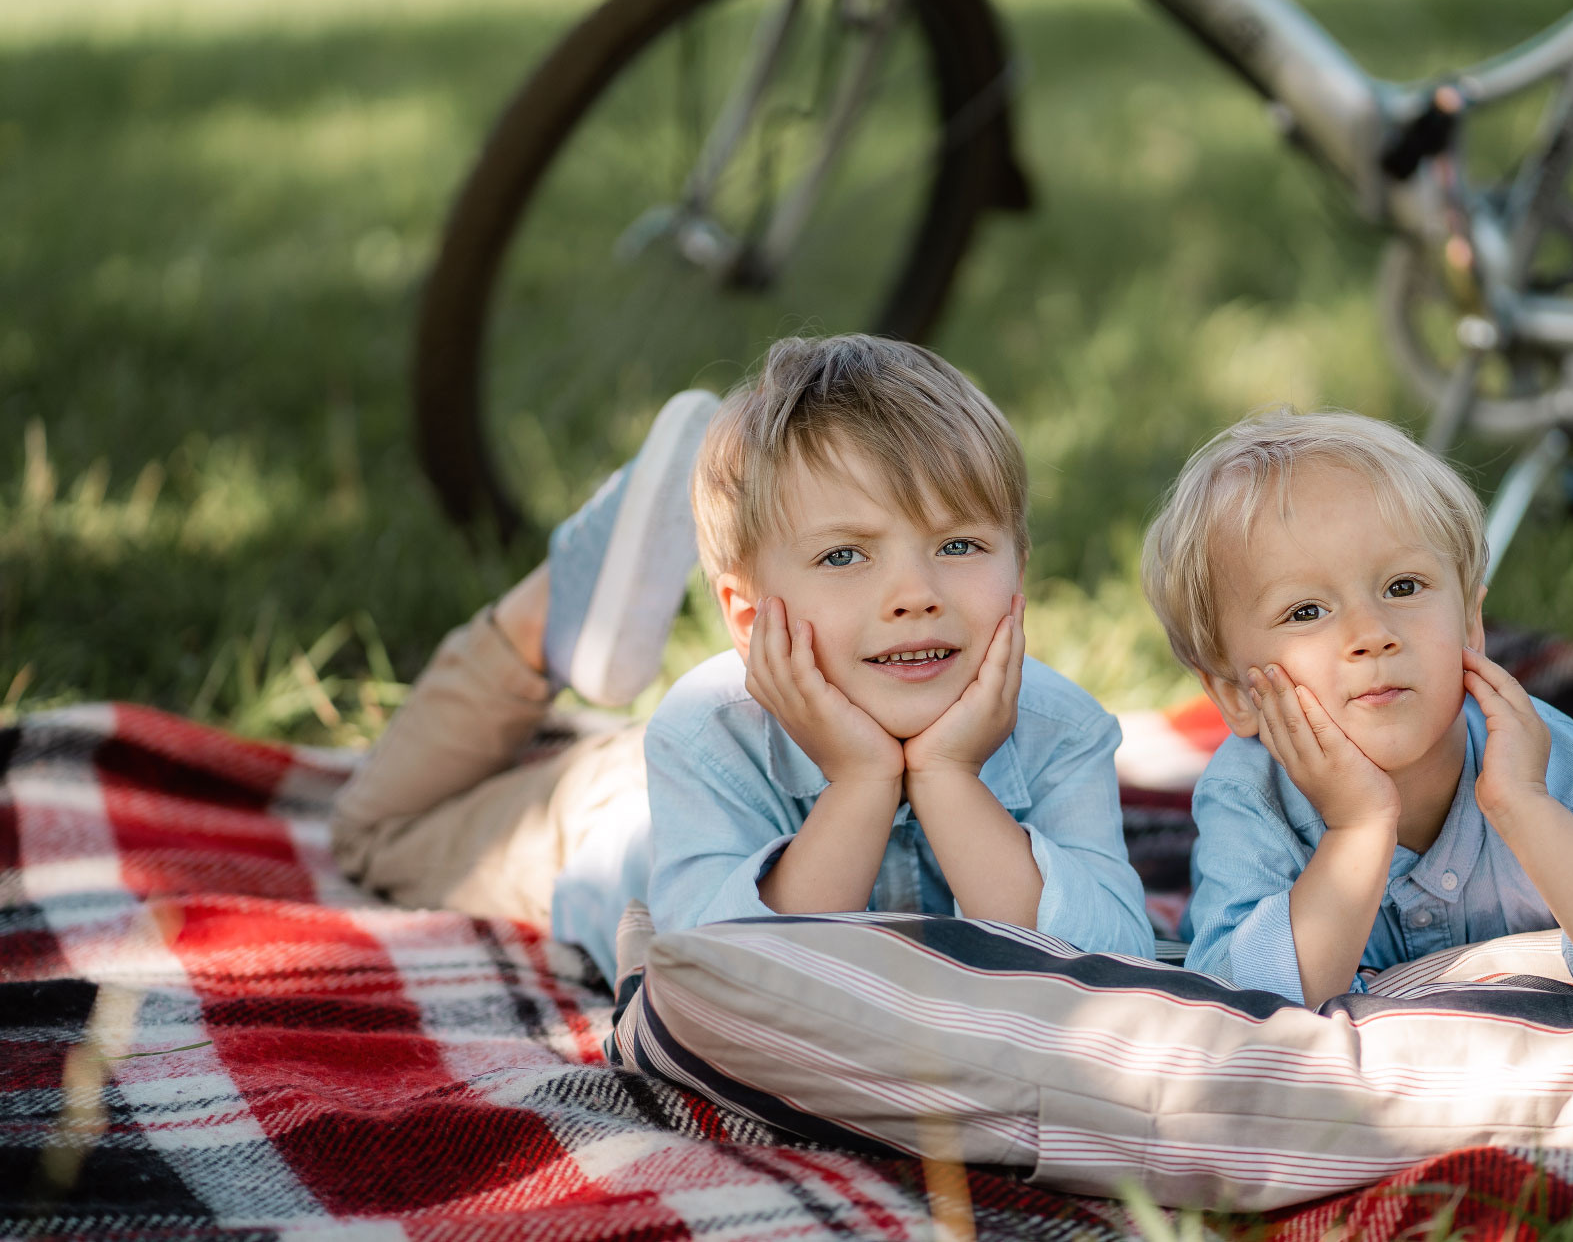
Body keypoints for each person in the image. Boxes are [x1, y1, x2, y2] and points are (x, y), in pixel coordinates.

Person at [331, 334, 1154, 989]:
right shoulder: (703, 737)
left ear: (1021, 568)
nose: (916, 593)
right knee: (374, 834)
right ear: (750, 616)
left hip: (699, 754)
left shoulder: (1063, 730)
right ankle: (548, 611)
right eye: (843, 555)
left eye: (960, 544)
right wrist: (862, 781)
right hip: (611, 814)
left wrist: (946, 774)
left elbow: (1112, 964)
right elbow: (728, 979)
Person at [1143, 409, 1573, 1016]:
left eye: (1402, 587)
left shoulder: (1533, 756)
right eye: (1306, 612)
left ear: (1472, 624)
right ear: (1236, 695)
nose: (1372, 634)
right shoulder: (1251, 795)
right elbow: (1236, 1008)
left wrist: (1526, 806)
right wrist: (1359, 828)